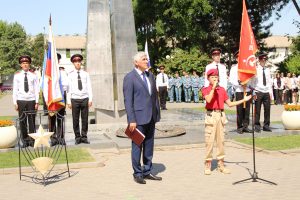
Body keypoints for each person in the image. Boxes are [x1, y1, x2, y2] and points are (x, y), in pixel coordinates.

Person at [202, 69, 252, 175]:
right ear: (208, 79)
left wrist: (244, 100)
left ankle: (221, 164)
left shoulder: (222, 90)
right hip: (211, 116)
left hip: (220, 115)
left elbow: (230, 104)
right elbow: (209, 100)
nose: (215, 79)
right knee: (209, 142)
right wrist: (213, 88)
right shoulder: (205, 89)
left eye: (216, 77)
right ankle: (208, 164)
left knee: (221, 142)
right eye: (212, 77)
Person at [123, 52, 161, 184]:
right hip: (137, 119)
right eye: (144, 59)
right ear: (136, 62)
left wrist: (157, 114)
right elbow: (128, 101)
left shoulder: (150, 75)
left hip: (151, 118)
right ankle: (137, 173)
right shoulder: (130, 77)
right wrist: (131, 119)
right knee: (137, 146)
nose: (147, 61)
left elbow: (154, 97)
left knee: (149, 146)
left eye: (147, 59)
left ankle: (147, 171)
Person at [13, 55, 39, 148]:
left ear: (29, 64)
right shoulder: (17, 76)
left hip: (31, 100)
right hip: (21, 100)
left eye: (27, 63)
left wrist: (36, 102)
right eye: (23, 63)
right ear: (20, 65)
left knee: (31, 121)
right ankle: (25, 140)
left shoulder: (33, 76)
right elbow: (15, 90)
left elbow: (36, 89)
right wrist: (15, 103)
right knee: (22, 121)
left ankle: (32, 141)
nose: (25, 65)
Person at [67, 54, 93, 145]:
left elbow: (89, 86)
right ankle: (77, 137)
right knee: (75, 119)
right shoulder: (70, 75)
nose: (77, 63)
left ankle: (84, 136)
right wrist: (68, 101)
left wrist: (90, 99)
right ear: (73, 63)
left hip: (84, 98)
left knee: (85, 119)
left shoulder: (85, 74)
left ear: (81, 62)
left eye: (79, 62)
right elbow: (68, 89)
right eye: (75, 62)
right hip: (75, 99)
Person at [229, 51, 252, 134]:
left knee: (247, 109)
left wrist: (247, 83)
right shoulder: (234, 68)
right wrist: (240, 83)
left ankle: (246, 126)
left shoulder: (247, 67)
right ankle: (240, 126)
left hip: (247, 90)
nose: (240, 59)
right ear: (236, 58)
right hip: (239, 90)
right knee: (239, 109)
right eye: (238, 57)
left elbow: (252, 78)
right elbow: (231, 80)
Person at [49, 53, 69, 146]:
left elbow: (66, 86)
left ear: (58, 61)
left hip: (60, 97)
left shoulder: (62, 71)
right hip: (51, 98)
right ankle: (53, 139)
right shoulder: (48, 72)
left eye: (56, 60)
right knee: (52, 118)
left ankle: (61, 138)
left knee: (60, 118)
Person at [253, 52, 272, 132]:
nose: (263, 61)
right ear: (259, 60)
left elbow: (269, 82)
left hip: (266, 91)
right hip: (258, 91)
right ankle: (257, 125)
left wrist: (270, 92)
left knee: (267, 109)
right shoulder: (256, 69)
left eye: (265, 59)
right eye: (262, 59)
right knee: (257, 110)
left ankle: (266, 125)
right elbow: (253, 81)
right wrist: (254, 92)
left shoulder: (267, 70)